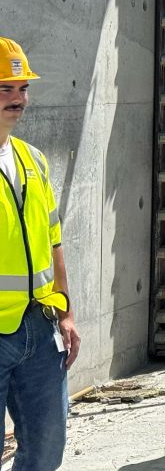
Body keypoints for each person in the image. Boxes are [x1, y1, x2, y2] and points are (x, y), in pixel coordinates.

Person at [0, 37, 78, 471]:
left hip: (39, 327)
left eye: (22, 87)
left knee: (46, 451)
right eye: (5, 89)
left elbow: (54, 242)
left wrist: (66, 311)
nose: (18, 99)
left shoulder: (33, 160)